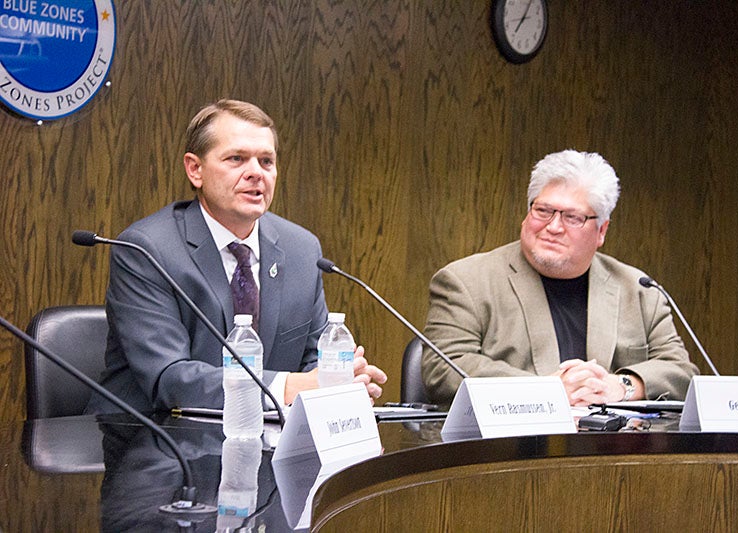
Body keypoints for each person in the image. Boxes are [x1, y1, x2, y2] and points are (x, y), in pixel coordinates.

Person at [86, 99, 386, 414]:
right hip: (150, 442)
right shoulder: (147, 250)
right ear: (195, 169)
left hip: (265, 440)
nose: (256, 173)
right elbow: (170, 379)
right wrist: (288, 387)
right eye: (237, 159)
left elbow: (312, 360)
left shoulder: (302, 249)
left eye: (266, 161)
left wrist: (341, 379)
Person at [421, 149, 698, 407]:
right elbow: (444, 367)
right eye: (543, 211)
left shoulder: (639, 290)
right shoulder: (466, 281)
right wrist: (548, 392)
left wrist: (622, 385)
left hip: (613, 451)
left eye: (572, 218)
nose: (553, 227)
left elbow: (681, 372)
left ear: (601, 231)